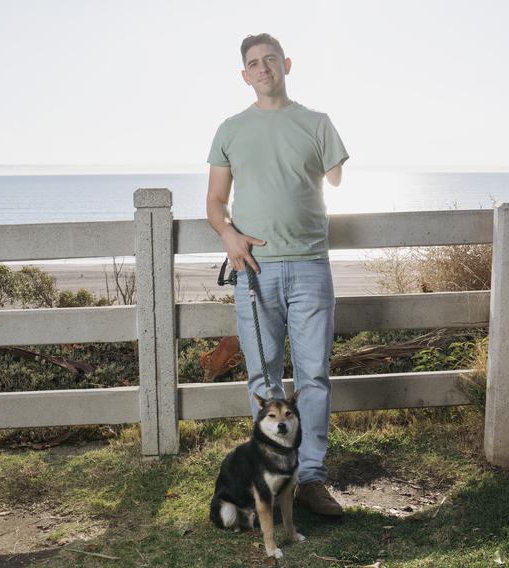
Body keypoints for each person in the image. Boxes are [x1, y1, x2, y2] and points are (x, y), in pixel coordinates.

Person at [205, 33, 348, 516]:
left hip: (310, 266)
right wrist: (228, 235)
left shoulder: (317, 123)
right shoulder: (230, 129)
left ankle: (310, 478)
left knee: (314, 377)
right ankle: (273, 477)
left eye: (270, 59)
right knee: (261, 379)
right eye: (253, 63)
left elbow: (335, 178)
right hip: (253, 270)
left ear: (285, 64)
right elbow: (215, 202)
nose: (263, 68)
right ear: (244, 75)